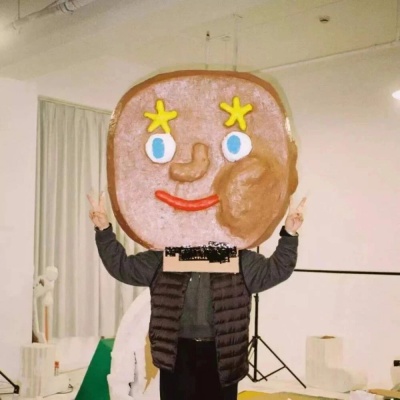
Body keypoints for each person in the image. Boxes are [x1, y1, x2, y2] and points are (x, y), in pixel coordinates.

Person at [88, 193, 305, 400]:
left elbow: (276, 270)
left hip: (222, 356)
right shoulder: (165, 257)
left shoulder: (238, 258)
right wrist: (104, 229)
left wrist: (289, 234)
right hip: (176, 353)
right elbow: (123, 268)